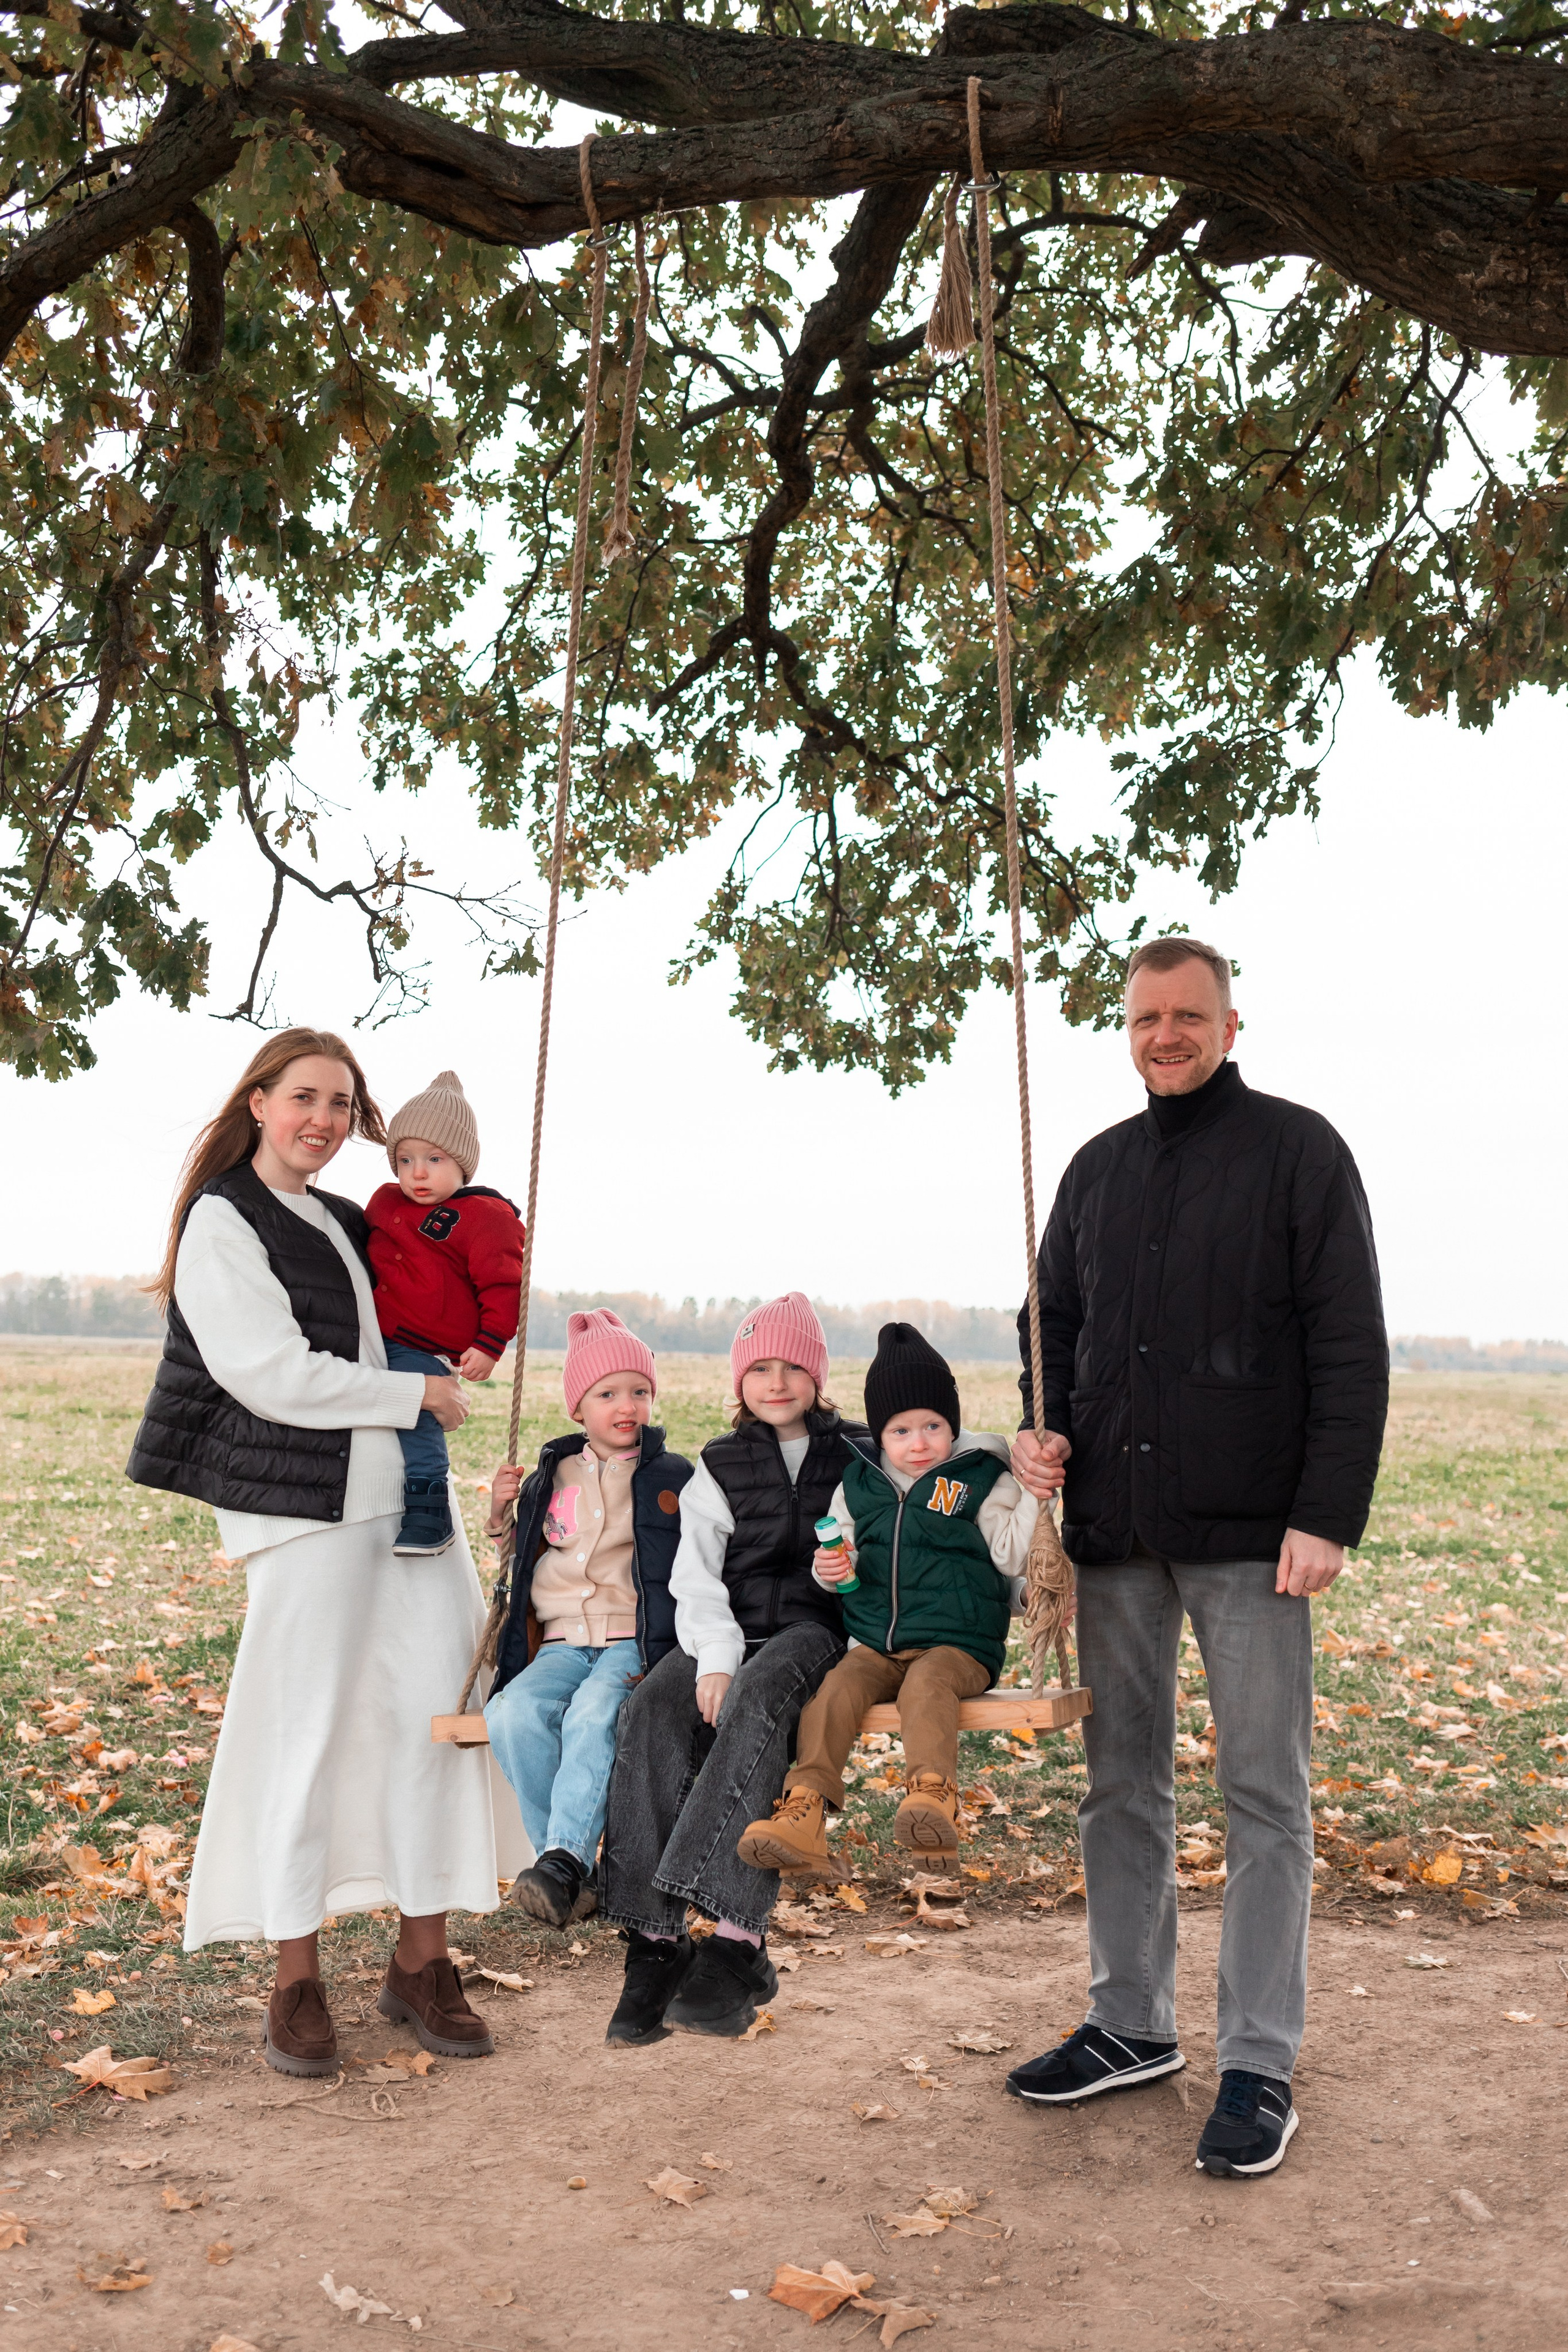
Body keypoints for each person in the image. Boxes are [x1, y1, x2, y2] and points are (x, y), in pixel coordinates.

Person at [1004, 937, 1388, 2179]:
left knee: (1263, 1798)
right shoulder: (1096, 1169)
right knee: (1120, 1789)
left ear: (1230, 1023)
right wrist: (1039, 1415)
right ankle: (1129, 2024)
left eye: (1185, 1015)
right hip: (1115, 1530)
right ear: (1124, 1029)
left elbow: (1346, 1342)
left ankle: (1258, 2062)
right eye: (1141, 1018)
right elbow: (1049, 1320)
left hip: (1253, 1537)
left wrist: (1323, 1513)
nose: (1162, 1035)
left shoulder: (1297, 1153)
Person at [127, 1028, 513, 2078]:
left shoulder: (350, 1219)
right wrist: (417, 1392)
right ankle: (295, 1975)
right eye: (306, 1097)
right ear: (259, 1101)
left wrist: (486, 1300)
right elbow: (272, 1373)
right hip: (306, 1517)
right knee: (305, 1738)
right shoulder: (225, 1222)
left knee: (437, 1723)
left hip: (410, 1510)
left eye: (343, 1106)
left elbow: (441, 1290)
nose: (325, 1121)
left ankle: (421, 1962)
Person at [598, 1294, 871, 2045]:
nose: (775, 1382)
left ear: (817, 1376)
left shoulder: (859, 1453)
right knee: (652, 1706)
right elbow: (696, 1575)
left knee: (758, 1698)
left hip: (816, 1632)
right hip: (727, 1627)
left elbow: (932, 1458)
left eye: (792, 1367)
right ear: (739, 1381)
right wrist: (712, 1655)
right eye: (758, 1368)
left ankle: (735, 1939)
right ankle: (654, 1943)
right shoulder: (719, 1464)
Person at [737, 1321, 1038, 1877]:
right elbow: (837, 1563)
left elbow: (1011, 1556)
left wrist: (1037, 1500)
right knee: (834, 1692)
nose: (918, 1443)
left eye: (933, 1426)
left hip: (959, 1644)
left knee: (927, 1687)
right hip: (876, 1641)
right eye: (901, 1431)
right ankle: (803, 1812)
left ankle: (932, 1795)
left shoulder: (980, 1478)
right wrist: (830, 1568)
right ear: (880, 1435)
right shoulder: (859, 1483)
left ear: (954, 1425)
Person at [482, 1309, 693, 1928]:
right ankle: (571, 1867)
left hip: (632, 1638)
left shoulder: (671, 1476)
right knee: (510, 1713)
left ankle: (562, 1864)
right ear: (579, 1407)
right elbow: (518, 1551)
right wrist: (500, 1515)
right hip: (559, 1643)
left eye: (639, 1391)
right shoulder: (551, 1477)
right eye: (607, 1394)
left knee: (595, 1715)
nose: (625, 1405)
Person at [364, 1071, 525, 1556]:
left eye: (434, 1160)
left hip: (422, 1345)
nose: (417, 1173)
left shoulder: (483, 1217)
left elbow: (503, 1283)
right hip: (373, 1335)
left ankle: (429, 1507)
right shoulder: (384, 1203)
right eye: (406, 1160)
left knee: (417, 1413)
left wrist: (490, 1343)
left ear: (462, 1165)